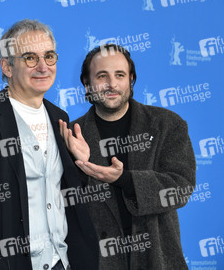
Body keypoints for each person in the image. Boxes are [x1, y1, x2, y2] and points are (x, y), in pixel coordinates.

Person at [0, 19, 99, 270]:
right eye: (30, 58)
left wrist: (82, 168)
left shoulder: (61, 119)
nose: (43, 67)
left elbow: (62, 195)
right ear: (7, 66)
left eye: (49, 56)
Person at [59, 44, 196, 269]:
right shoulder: (70, 135)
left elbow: (180, 188)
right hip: (97, 261)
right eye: (102, 76)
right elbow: (61, 203)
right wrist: (80, 170)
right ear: (86, 83)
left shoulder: (167, 125)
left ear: (131, 80)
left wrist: (123, 179)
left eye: (120, 75)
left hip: (157, 259)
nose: (112, 84)